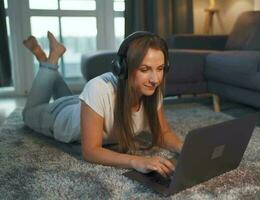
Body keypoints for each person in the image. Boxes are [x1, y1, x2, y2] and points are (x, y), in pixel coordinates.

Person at [22, 31, 183, 178]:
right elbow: (90, 151)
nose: (155, 79)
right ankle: (50, 60)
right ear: (123, 69)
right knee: (29, 112)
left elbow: (164, 133)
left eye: (160, 68)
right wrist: (137, 161)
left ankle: (46, 60)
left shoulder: (153, 92)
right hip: (60, 116)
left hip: (83, 108)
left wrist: (184, 148)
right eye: (145, 69)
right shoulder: (98, 89)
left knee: (70, 99)